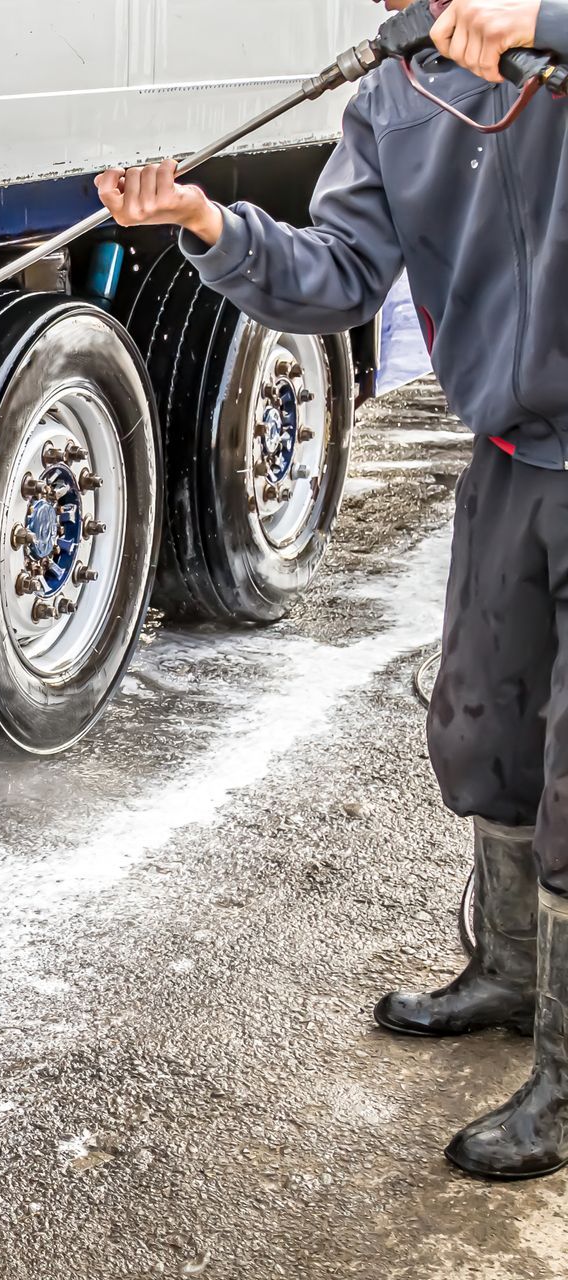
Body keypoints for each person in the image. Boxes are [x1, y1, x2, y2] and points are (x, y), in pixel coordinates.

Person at [96, 0, 568, 1180]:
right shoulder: (393, 97)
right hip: (514, 462)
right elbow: (340, 275)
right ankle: (513, 970)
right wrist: (210, 225)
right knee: (485, 732)